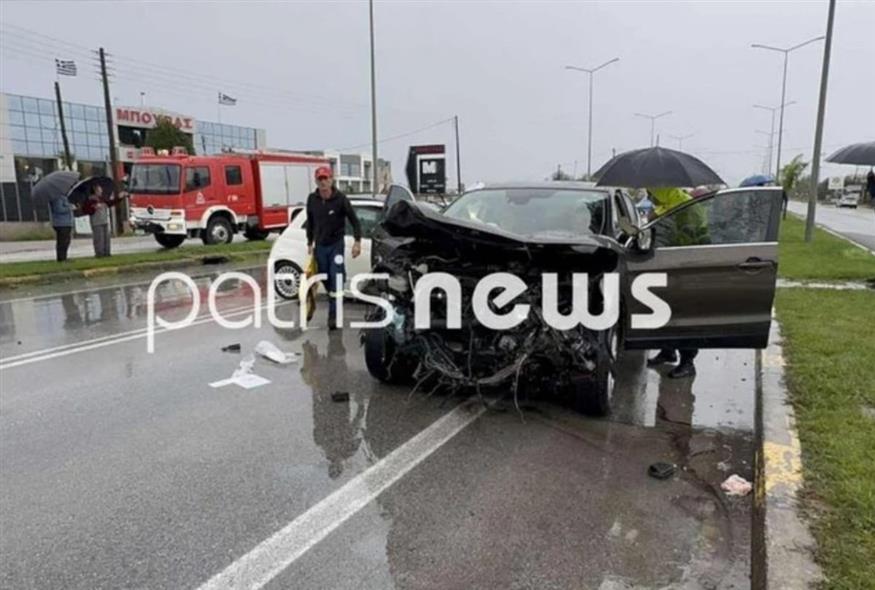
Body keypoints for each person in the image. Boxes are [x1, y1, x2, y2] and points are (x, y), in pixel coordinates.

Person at [645, 186, 708, 379]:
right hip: (668, 266)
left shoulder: (684, 208)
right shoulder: (668, 206)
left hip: (685, 268)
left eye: (651, 193)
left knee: (684, 317)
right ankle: (668, 350)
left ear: (662, 191)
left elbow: (687, 237)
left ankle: (688, 362)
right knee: (666, 313)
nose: (649, 197)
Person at [306, 166, 362, 330]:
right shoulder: (312, 199)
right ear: (316, 181)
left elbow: (355, 221)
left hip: (336, 245)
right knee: (325, 277)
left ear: (331, 180)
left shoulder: (341, 199)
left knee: (335, 277)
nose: (323, 182)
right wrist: (309, 242)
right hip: (320, 246)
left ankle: (333, 316)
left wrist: (357, 242)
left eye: (326, 178)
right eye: (320, 179)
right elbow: (310, 222)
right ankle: (335, 294)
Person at [86, 184, 125, 258]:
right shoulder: (90, 200)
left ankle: (107, 253)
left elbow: (110, 203)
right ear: (95, 191)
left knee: (106, 238)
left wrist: (119, 198)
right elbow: (86, 210)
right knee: (99, 239)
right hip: (96, 222)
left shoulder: (102, 199)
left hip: (104, 221)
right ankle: (99, 254)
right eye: (99, 190)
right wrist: (94, 207)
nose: (101, 191)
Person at [47, 192, 76, 262]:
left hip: (66, 222)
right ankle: (61, 258)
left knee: (66, 241)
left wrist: (70, 205)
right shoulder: (57, 198)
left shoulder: (63, 197)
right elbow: (59, 209)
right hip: (61, 223)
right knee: (62, 241)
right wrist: (70, 208)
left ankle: (64, 257)